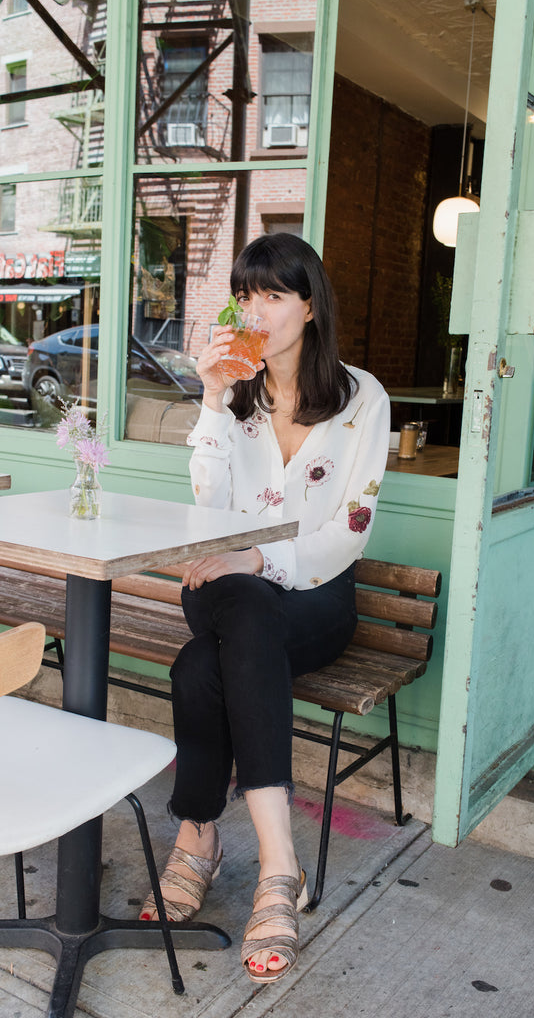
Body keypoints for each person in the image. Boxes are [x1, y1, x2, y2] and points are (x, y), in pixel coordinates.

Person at [140, 232, 390, 983]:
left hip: (316, 599)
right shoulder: (235, 393)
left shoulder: (359, 399)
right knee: (239, 609)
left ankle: (198, 837)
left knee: (200, 667)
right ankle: (280, 870)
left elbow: (349, 530)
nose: (256, 309)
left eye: (273, 294)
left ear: (309, 307)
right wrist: (213, 397)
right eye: (245, 294)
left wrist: (257, 558)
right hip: (225, 590)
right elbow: (208, 502)